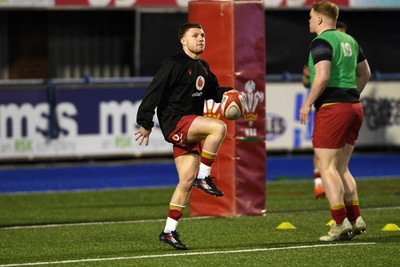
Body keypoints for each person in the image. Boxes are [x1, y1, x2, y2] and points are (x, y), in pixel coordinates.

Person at [135, 22, 235, 250]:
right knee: (218, 128)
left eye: (203, 34)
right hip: (175, 121)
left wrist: (227, 93)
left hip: (188, 125)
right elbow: (154, 90)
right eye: (195, 35)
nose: (201, 38)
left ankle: (168, 231)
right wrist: (145, 122)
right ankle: (205, 175)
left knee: (185, 181)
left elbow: (213, 92)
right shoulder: (174, 64)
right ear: (183, 41)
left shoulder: (203, 66)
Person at [299, 1, 371, 241]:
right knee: (342, 167)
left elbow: (323, 76)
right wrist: (351, 96)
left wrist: (307, 103)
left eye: (311, 17)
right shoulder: (350, 40)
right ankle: (356, 218)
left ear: (320, 19)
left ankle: (339, 223)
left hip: (333, 109)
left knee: (327, 167)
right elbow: (366, 74)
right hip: (354, 107)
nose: (309, 21)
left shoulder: (321, 41)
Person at [302, 20, 348, 199]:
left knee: (336, 153)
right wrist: (307, 78)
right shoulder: (321, 48)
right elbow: (308, 81)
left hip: (339, 106)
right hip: (328, 106)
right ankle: (320, 185)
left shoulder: (345, 50)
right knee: (322, 149)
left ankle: (336, 193)